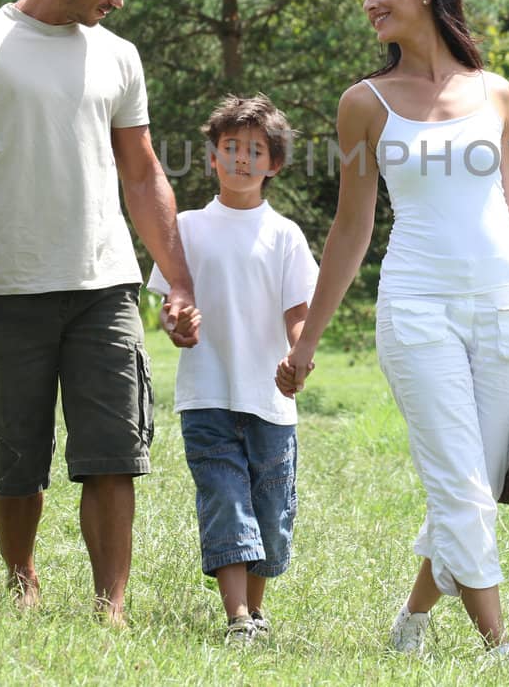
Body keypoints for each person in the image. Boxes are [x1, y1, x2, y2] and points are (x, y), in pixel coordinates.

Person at [276, 0, 509, 660]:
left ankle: (410, 621)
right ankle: (500, 648)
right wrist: (308, 338)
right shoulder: (363, 104)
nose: (371, 3)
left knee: (476, 484)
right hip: (417, 310)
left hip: (503, 308)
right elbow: (351, 227)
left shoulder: (495, 91)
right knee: (461, 481)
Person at [0, 0, 200, 626]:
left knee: (114, 453)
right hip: (9, 286)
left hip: (105, 284)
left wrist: (178, 278)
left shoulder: (117, 54)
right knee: (14, 459)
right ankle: (22, 580)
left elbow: (143, 173)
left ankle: (112, 609)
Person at [146, 94, 318, 646]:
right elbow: (171, 307)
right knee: (224, 497)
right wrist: (177, 326)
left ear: (275, 164)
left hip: (270, 400)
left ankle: (256, 612)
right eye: (231, 148)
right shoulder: (187, 229)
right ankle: (238, 617)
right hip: (207, 393)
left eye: (255, 150)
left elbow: (299, 314)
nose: (242, 159)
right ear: (212, 157)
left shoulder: (285, 235)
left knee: (271, 509)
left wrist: (299, 355)